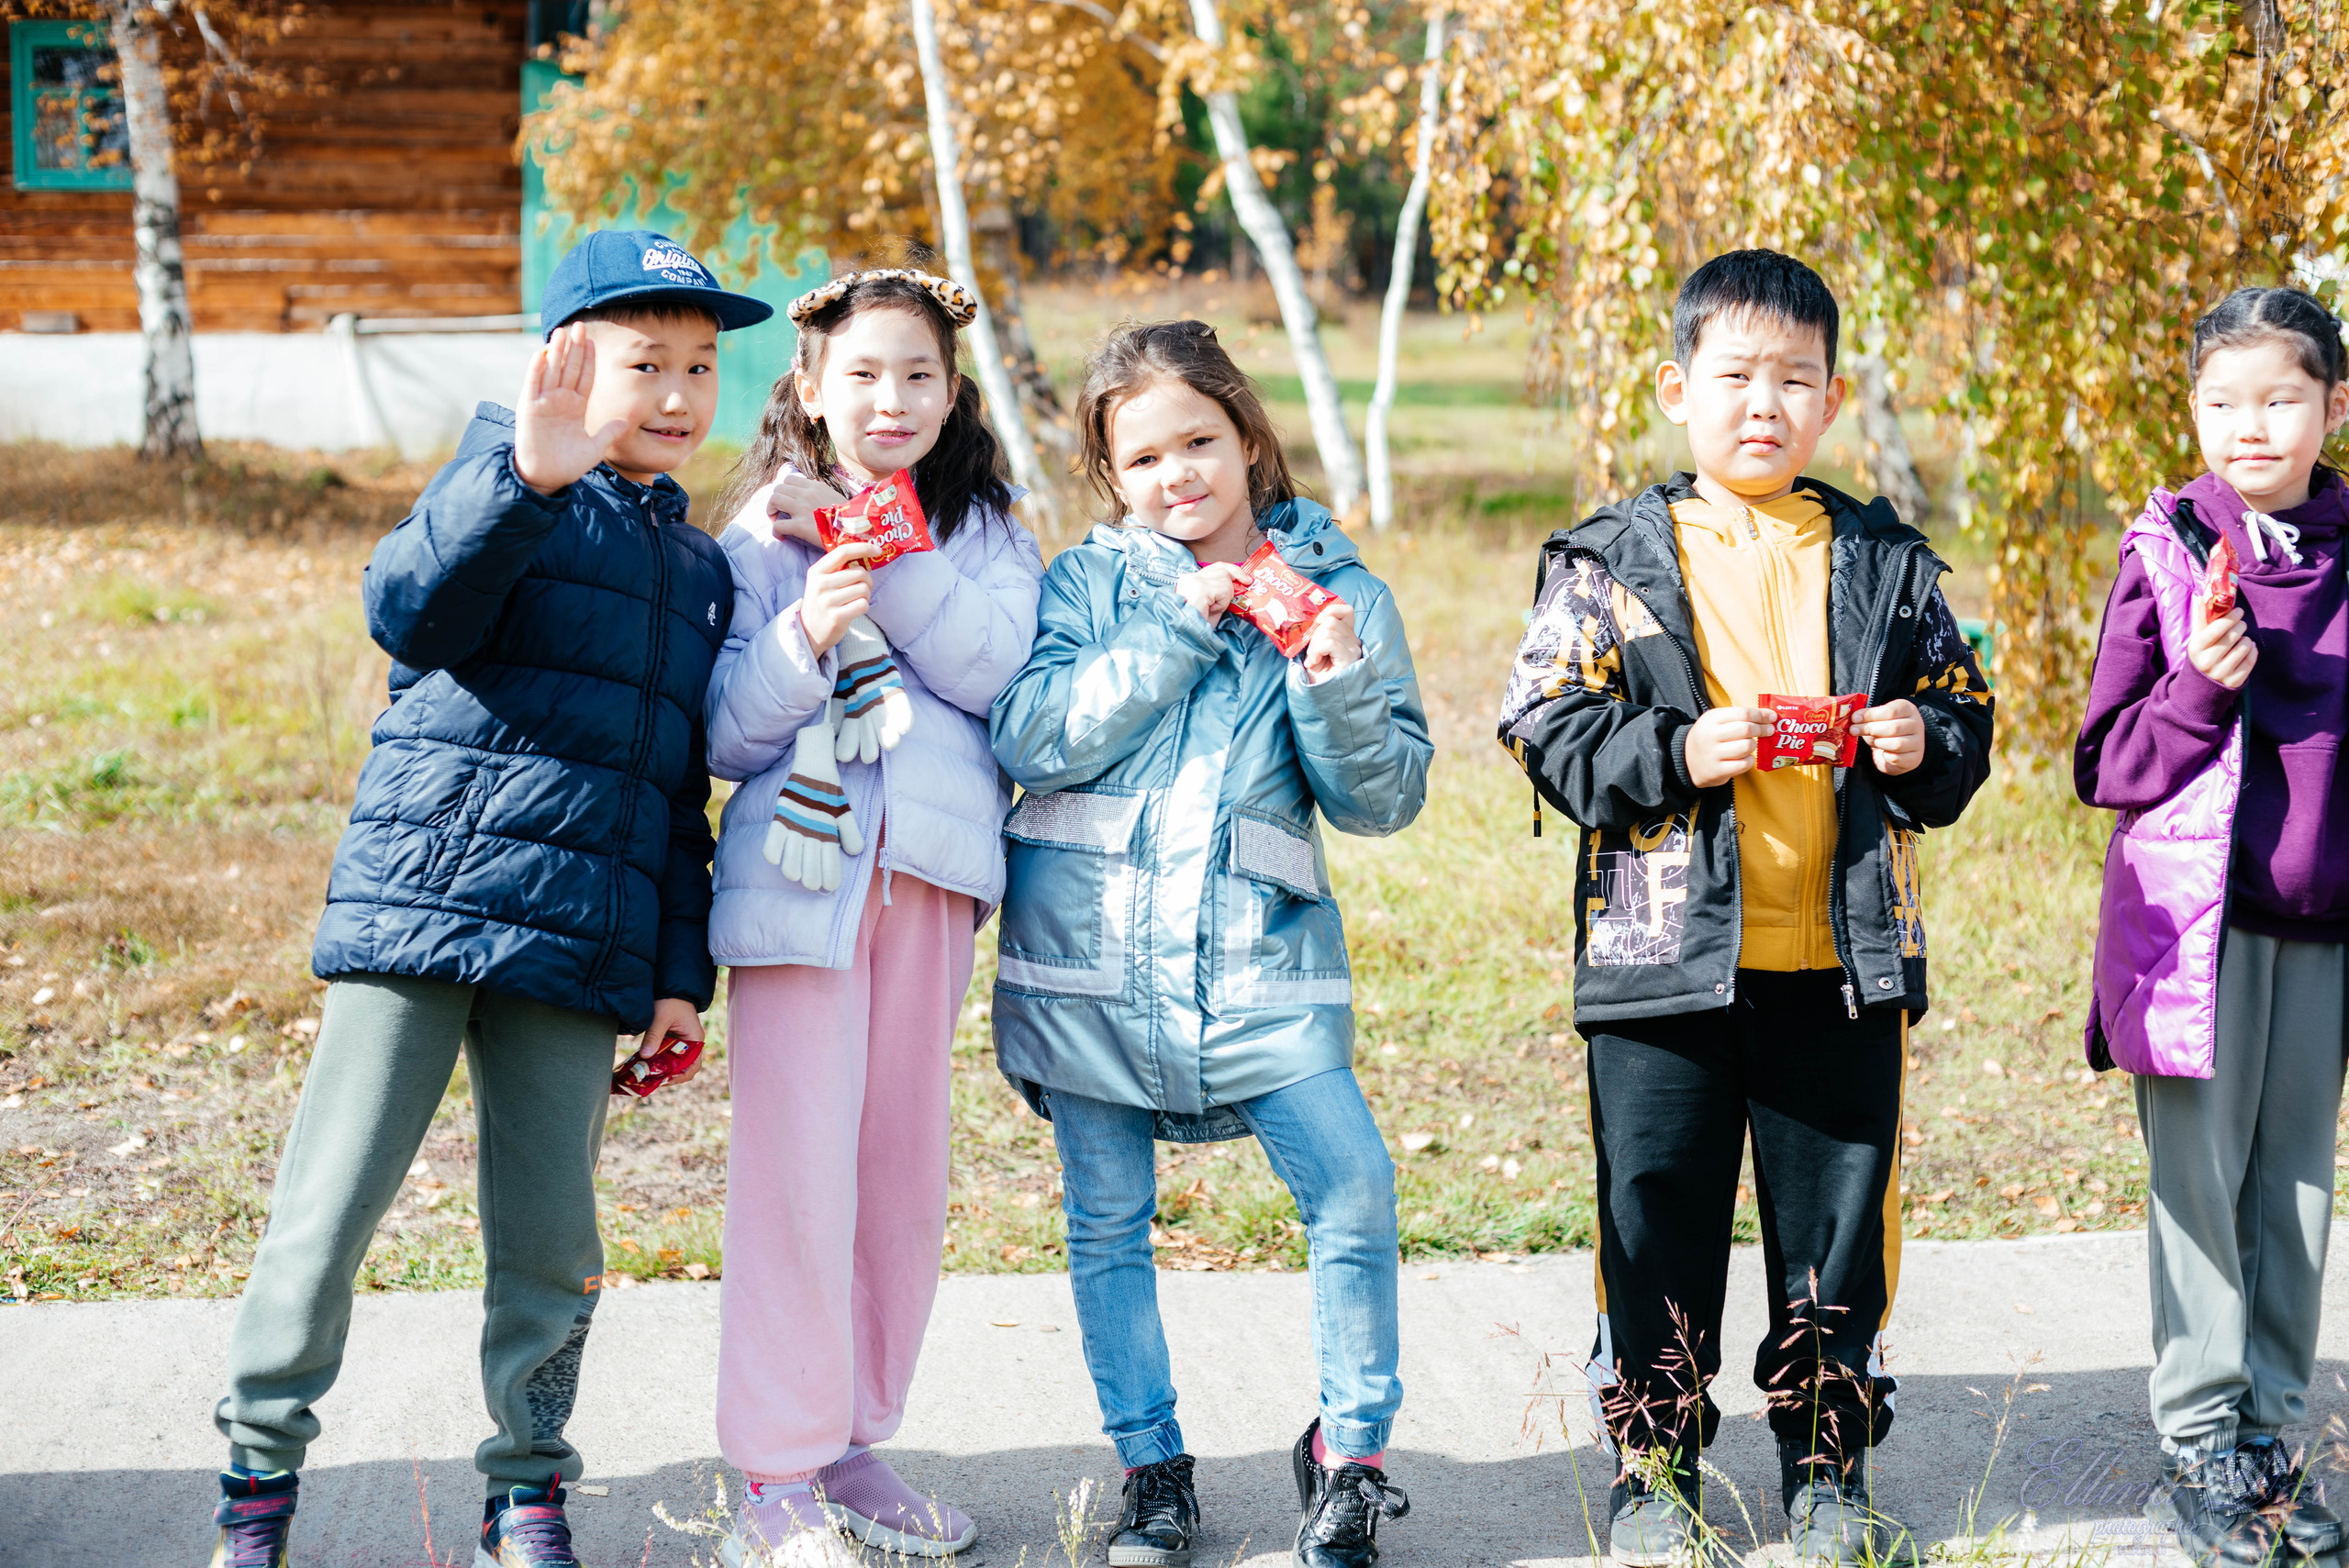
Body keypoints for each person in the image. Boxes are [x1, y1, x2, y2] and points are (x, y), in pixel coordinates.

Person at [208, 229, 767, 1568]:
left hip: (574, 943)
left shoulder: (699, 569)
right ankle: (256, 1479)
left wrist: (676, 973)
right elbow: (409, 611)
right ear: (564, 362)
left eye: (700, 366)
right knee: (328, 1210)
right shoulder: (502, 479)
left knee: (553, 1243)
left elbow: (675, 788)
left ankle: (527, 1486)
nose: (679, 394)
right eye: (645, 362)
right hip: (421, 914)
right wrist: (525, 477)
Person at [1497, 250, 1994, 1567]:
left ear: (1830, 401)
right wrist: (1674, 751)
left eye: (1795, 380)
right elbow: (1542, 723)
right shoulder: (1609, 561)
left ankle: (1827, 1469)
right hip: (1661, 964)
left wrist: (1920, 742)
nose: (1764, 403)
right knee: (1653, 1215)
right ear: (1678, 389)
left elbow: (1965, 719)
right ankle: (1655, 1471)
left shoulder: (1887, 561)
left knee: (1838, 1231)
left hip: (1842, 961)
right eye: (1735, 377)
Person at [989, 320, 1431, 1568]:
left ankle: (1351, 1459)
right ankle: (1152, 1469)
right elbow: (1031, 738)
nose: (1176, 473)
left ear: (1246, 435)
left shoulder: (1347, 593)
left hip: (1258, 962)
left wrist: (1335, 679)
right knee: (1106, 1221)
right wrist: (1174, 629)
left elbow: (1383, 800)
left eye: (1198, 440)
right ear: (1110, 474)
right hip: (1089, 963)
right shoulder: (1086, 588)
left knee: (1353, 1185)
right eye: (1142, 458)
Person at [700, 267, 1043, 1568]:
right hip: (800, 891)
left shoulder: (986, 531)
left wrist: (887, 558)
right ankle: (775, 1474)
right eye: (862, 374)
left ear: (953, 395)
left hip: (931, 885)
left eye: (918, 375)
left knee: (898, 1180)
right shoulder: (759, 535)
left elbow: (998, 675)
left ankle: (850, 1444)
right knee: (796, 1180)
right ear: (808, 388)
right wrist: (803, 632)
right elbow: (724, 733)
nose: (890, 398)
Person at [2076, 285, 2349, 1568]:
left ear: (2333, 407)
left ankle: (2277, 1438)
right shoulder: (2169, 547)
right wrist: (2197, 689)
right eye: (2224, 401)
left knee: (2296, 1189)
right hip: (2198, 930)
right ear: (2193, 410)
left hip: (2328, 927)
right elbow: (2106, 760)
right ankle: (2200, 1444)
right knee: (2199, 1185)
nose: (2252, 427)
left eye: (2281, 398)